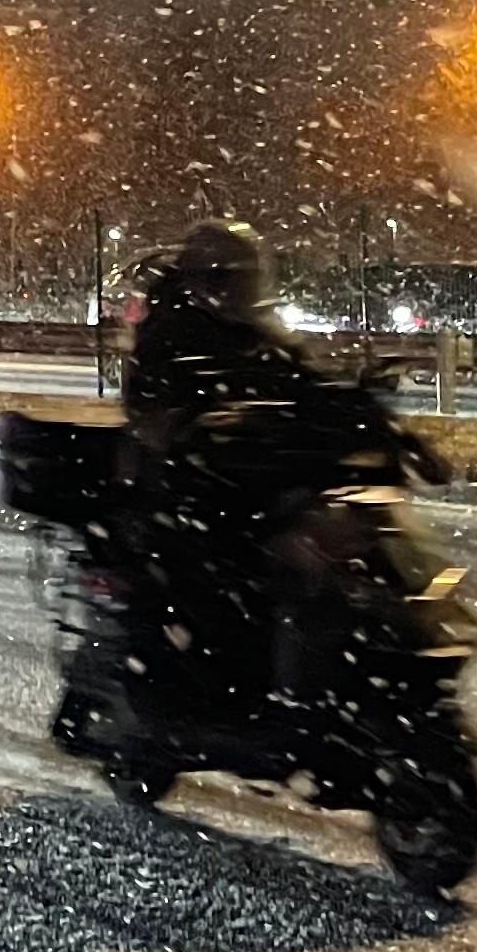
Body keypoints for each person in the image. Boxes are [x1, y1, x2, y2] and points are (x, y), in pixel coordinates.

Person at [113, 220, 443, 708]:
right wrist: (206, 424)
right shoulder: (172, 331)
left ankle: (340, 667)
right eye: (234, 279)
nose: (245, 289)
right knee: (263, 564)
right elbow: (157, 410)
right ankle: (237, 693)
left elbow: (305, 383)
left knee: (339, 537)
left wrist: (378, 422)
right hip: (191, 489)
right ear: (208, 280)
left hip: (250, 474)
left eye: (250, 278)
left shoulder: (254, 331)